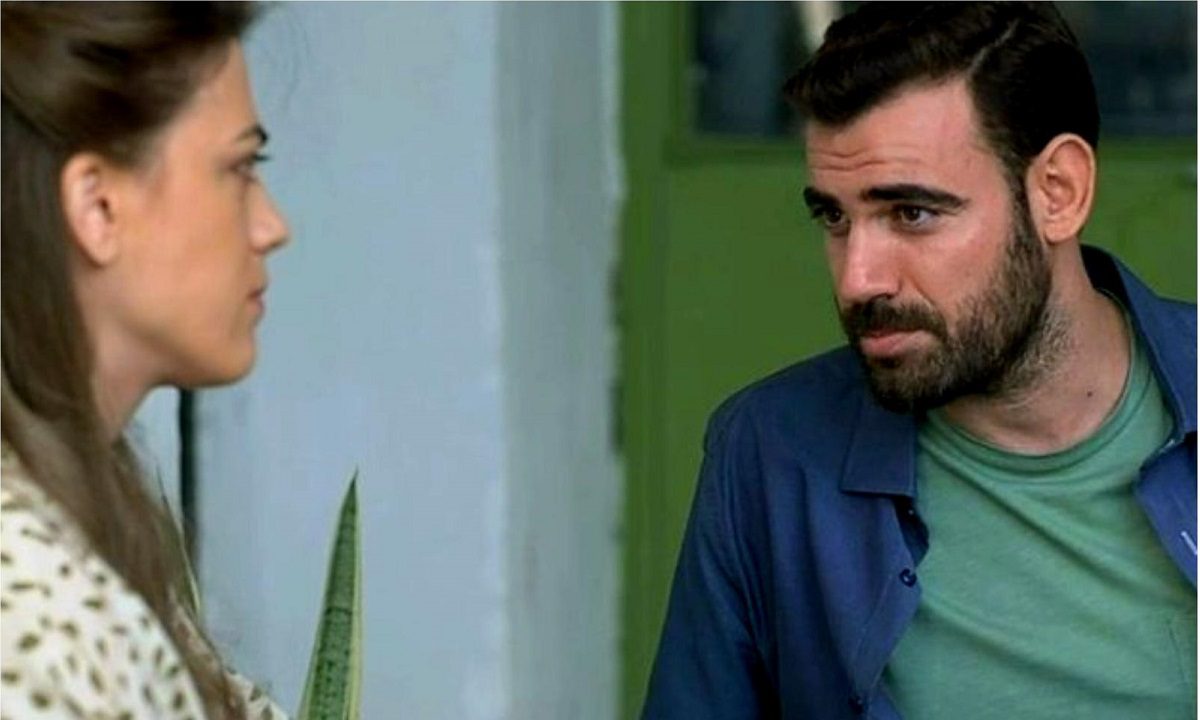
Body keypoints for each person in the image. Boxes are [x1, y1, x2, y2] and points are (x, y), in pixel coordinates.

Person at [642, 3, 1196, 719]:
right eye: (834, 217)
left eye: (912, 213)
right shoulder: (770, 457)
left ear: (1058, 192)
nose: (858, 280)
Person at [1, 2, 290, 718]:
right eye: (240, 167)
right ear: (97, 207)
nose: (271, 226)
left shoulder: (93, 527)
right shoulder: (43, 626)